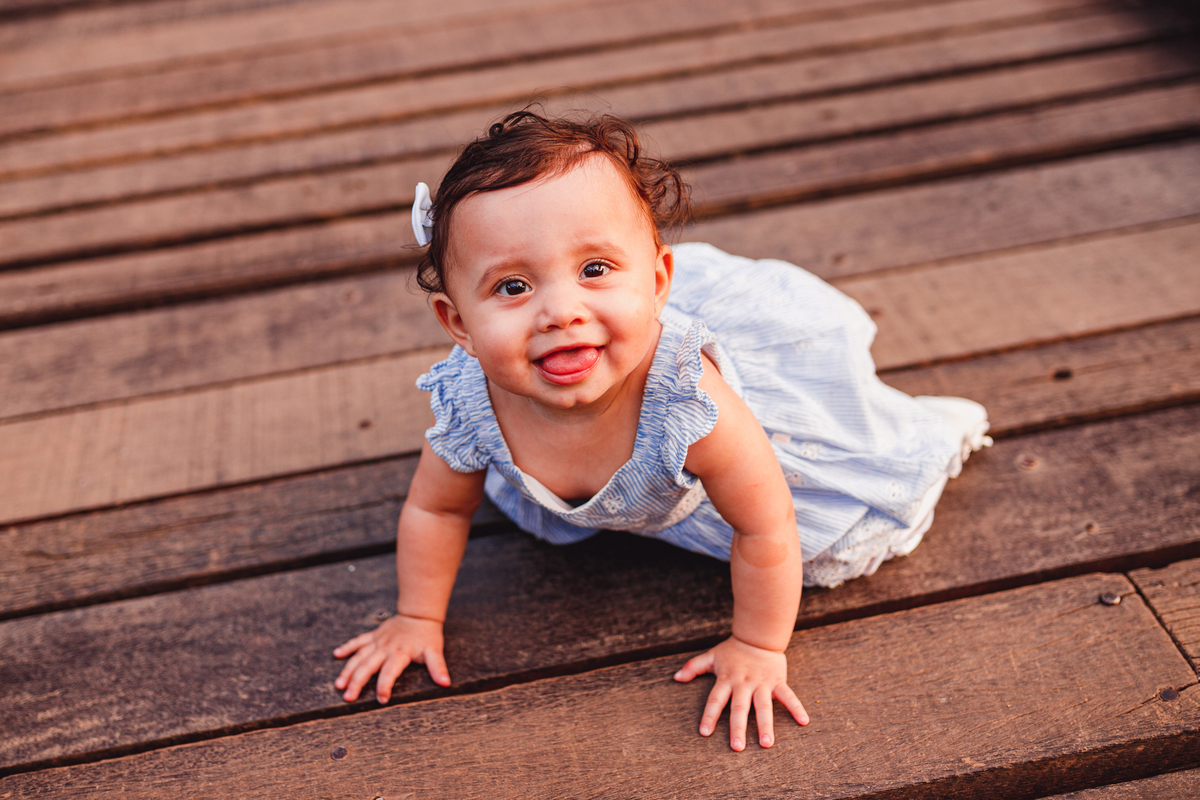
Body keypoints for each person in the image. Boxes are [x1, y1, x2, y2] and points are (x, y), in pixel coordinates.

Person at [334, 110, 990, 751]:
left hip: (756, 473)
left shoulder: (689, 402)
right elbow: (437, 507)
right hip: (628, 483)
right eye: (512, 285)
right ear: (458, 324)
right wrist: (417, 616)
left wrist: (759, 646)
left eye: (595, 270)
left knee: (831, 534)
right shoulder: (472, 402)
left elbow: (767, 523)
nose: (560, 311)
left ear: (655, 282)